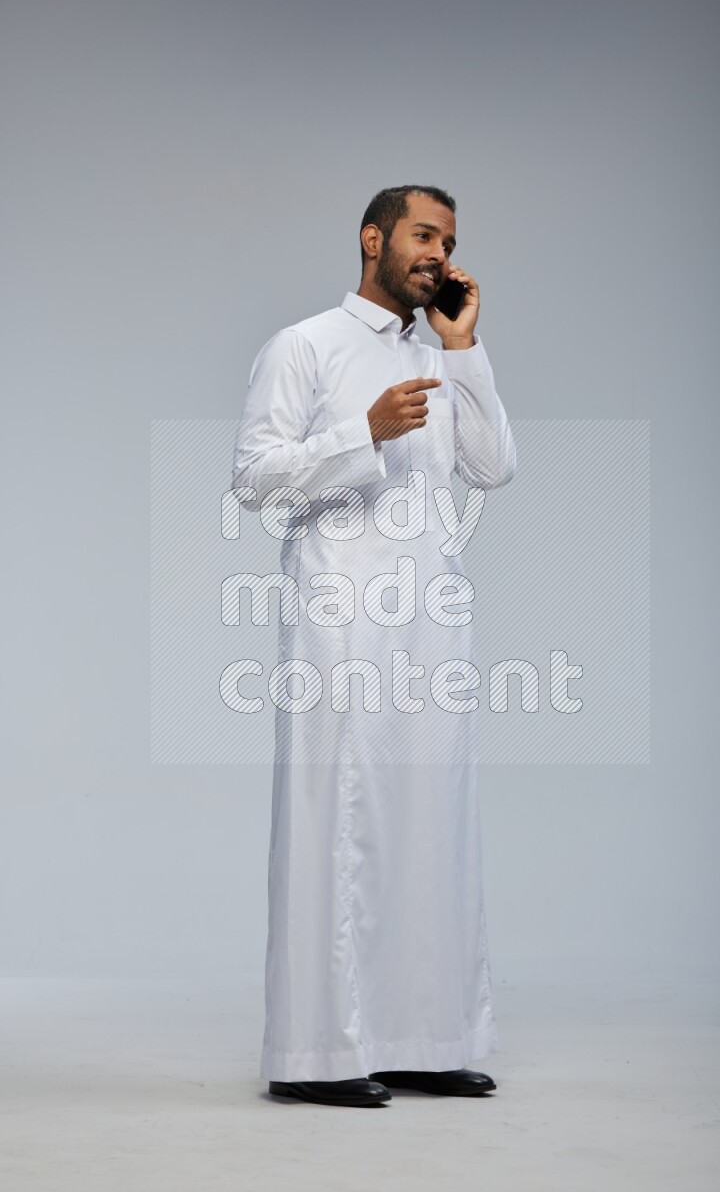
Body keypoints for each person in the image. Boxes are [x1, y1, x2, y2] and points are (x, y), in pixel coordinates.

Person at [231, 185, 516, 1107]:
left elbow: (493, 466)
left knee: (434, 822)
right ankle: (315, 1055)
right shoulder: (305, 344)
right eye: (423, 235)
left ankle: (423, 1038)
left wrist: (465, 346)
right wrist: (365, 431)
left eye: (450, 242)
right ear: (373, 238)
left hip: (430, 622)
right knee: (337, 822)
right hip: (340, 617)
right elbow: (254, 478)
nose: (437, 253)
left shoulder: (441, 353)